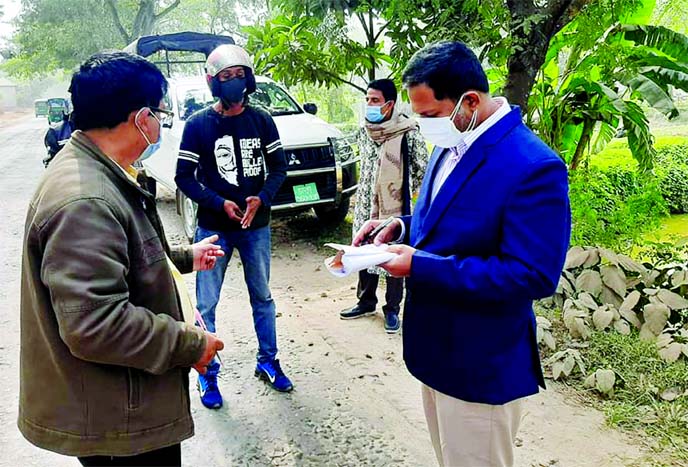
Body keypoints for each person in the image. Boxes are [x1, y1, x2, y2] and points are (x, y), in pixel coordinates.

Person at [354, 41, 571, 466]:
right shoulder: (451, 140)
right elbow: (441, 218)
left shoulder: (532, 166)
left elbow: (532, 275)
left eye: (430, 115)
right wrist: (399, 227)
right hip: (437, 351)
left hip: (479, 362)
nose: (423, 125)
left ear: (469, 101)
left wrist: (420, 265)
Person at [19, 51, 225, 467]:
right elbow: (94, 324)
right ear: (142, 117)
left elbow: (125, 260)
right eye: (161, 114)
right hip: (118, 420)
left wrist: (184, 257)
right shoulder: (85, 199)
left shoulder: (103, 171)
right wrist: (192, 345)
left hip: (120, 406)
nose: (161, 126)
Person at [175, 44, 293, 409]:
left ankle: (268, 361)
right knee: (206, 303)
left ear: (248, 78)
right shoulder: (198, 125)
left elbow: (278, 168)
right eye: (225, 78)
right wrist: (217, 202)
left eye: (239, 75)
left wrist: (262, 197)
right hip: (213, 228)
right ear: (213, 83)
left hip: (256, 227)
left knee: (263, 296)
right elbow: (185, 178)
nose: (233, 83)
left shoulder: (262, 120)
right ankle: (207, 371)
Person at [340, 79, 428, 333]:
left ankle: (392, 309)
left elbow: (422, 170)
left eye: (375, 100)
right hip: (366, 203)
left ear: (389, 104)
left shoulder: (408, 132)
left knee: (391, 254)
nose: (369, 105)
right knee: (363, 250)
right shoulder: (365, 131)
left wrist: (409, 199)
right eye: (367, 100)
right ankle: (365, 301)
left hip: (394, 205)